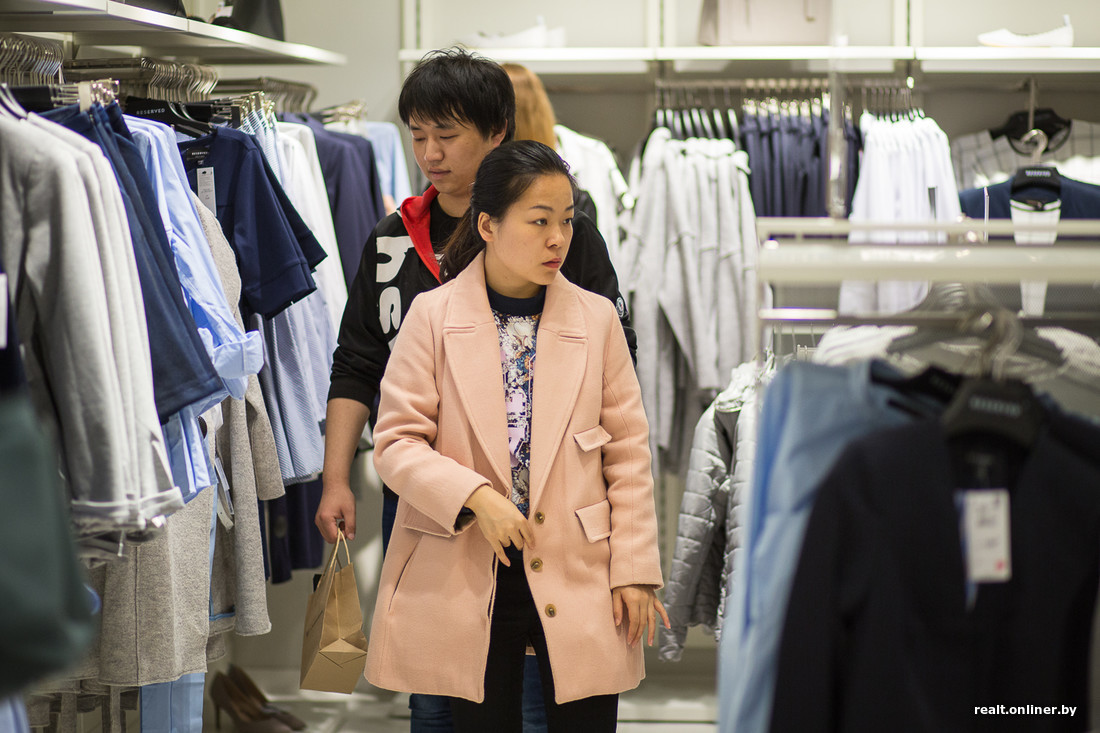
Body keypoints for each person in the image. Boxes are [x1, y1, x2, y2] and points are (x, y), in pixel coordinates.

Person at [317, 47, 634, 731]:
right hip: (430, 499)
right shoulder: (393, 241)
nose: (430, 153)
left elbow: (614, 390)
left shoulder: (564, 236)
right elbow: (357, 362)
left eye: (447, 134)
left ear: (496, 134)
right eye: (418, 135)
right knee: (440, 688)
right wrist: (336, 477)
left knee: (546, 684)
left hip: (549, 508)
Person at [366, 140, 668, 732]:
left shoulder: (597, 318)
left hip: (582, 563)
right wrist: (477, 498)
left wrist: (634, 570)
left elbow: (628, 452)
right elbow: (396, 443)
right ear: (488, 225)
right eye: (539, 221)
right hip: (472, 563)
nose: (559, 239)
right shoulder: (432, 315)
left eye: (567, 221)